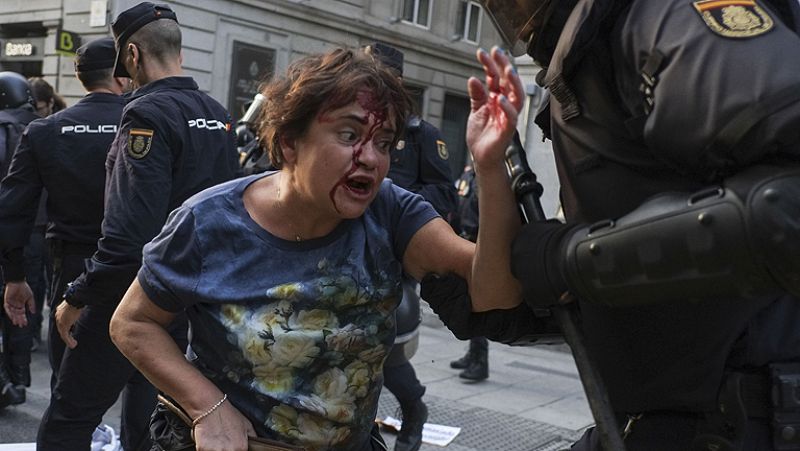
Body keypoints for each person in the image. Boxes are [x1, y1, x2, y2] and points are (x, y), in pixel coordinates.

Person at [423, 1, 800, 449]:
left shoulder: (657, 13)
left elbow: (783, 211)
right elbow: (663, 299)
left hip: (738, 425)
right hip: (659, 423)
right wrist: (522, 305)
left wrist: (565, 262)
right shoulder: (591, 44)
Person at [109, 45, 525, 451]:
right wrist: (208, 406)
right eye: (349, 134)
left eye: (383, 142)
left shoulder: (391, 211)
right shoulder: (207, 222)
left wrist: (490, 168)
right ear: (290, 142)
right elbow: (132, 324)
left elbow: (493, 293)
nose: (371, 158)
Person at [34, 3, 240, 450]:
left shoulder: (146, 115)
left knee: (69, 420)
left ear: (131, 55)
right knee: (151, 425)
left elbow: (129, 236)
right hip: (191, 302)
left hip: (131, 298)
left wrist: (77, 296)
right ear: (178, 51)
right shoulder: (220, 117)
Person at [1, 38, 129, 389]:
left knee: (69, 382)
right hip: (140, 267)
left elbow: (13, 207)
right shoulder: (147, 125)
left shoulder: (45, 129)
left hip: (72, 264)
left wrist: (14, 276)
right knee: (142, 385)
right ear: (122, 77)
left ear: (79, 76)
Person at [365, 42, 458, 451]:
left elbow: (444, 195)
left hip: (393, 258)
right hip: (350, 249)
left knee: (388, 346)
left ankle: (413, 406)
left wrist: (396, 202)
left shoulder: (422, 136)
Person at [0, 71, 40, 409]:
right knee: (25, 310)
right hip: (41, 235)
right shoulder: (44, 126)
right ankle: (18, 378)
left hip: (7, 229)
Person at [448, 165, 489, 382]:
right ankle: (473, 353)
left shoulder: (489, 174)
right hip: (463, 241)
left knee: (477, 305)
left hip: (477, 245)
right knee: (469, 303)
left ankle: (480, 361)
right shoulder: (468, 173)